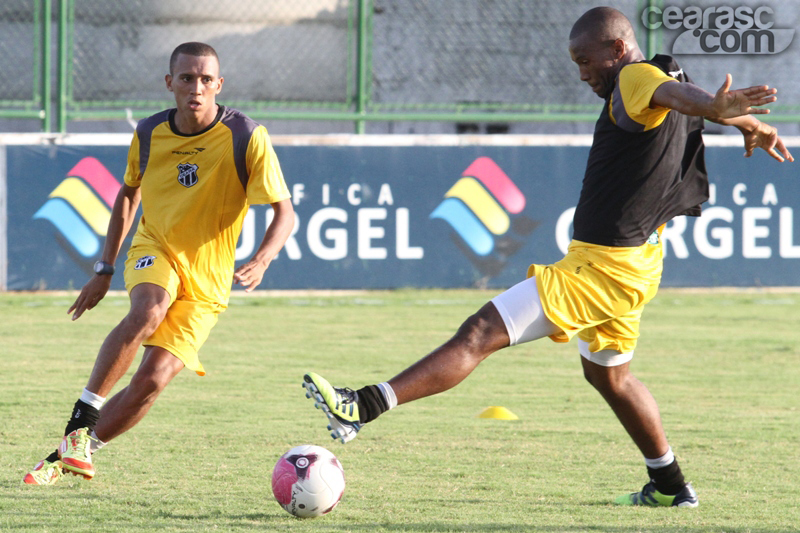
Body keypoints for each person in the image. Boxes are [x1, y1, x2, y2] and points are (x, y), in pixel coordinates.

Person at [301, 7, 794, 507]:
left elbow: (682, 98)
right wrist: (741, 118)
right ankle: (671, 487)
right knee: (610, 376)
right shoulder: (665, 75)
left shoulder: (636, 77)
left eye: (585, 60)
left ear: (618, 50)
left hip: (604, 268)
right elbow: (685, 99)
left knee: (480, 332)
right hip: (637, 263)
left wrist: (716, 108)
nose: (581, 73)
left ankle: (361, 405)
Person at [24, 42, 294, 485]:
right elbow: (129, 193)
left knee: (152, 381)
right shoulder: (150, 132)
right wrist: (104, 268)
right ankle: (79, 423)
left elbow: (284, 211)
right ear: (169, 83)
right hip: (157, 247)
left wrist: (264, 257)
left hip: (208, 282)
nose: (197, 87)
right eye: (187, 78)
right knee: (149, 309)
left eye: (206, 79)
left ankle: (65, 456)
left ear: (219, 85)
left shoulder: (246, 136)